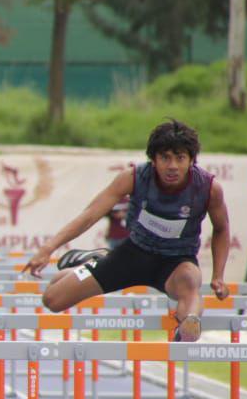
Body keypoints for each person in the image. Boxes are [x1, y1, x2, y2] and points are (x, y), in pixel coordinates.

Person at [24, 119, 231, 342]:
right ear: (153, 160)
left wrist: (218, 275)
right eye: (165, 158)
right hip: (132, 255)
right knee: (52, 300)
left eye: (180, 158)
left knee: (191, 281)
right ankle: (96, 260)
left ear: (191, 160)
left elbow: (221, 229)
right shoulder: (133, 178)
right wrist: (48, 248)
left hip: (177, 261)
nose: (172, 166)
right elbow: (90, 214)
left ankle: (189, 324)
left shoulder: (208, 188)